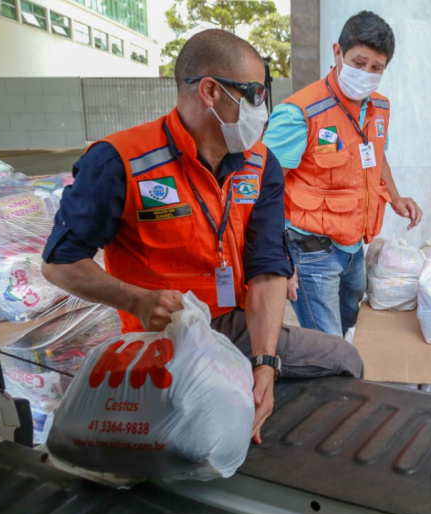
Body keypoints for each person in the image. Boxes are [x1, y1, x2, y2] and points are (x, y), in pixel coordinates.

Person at [40, 29, 362, 444]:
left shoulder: (260, 164)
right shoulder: (120, 161)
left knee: (344, 359)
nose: (262, 110)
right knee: (188, 435)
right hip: (164, 340)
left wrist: (265, 363)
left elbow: (267, 268)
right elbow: (59, 262)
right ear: (210, 91)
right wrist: (136, 300)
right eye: (255, 95)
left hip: (231, 324)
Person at [262, 10, 422, 338]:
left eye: (376, 68)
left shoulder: (379, 107)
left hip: (352, 247)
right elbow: (262, 188)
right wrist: (277, 261)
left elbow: (376, 155)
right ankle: (331, 387)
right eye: (359, 62)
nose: (366, 73)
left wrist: (394, 197)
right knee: (328, 346)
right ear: (338, 53)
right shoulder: (300, 113)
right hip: (309, 251)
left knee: (351, 322)